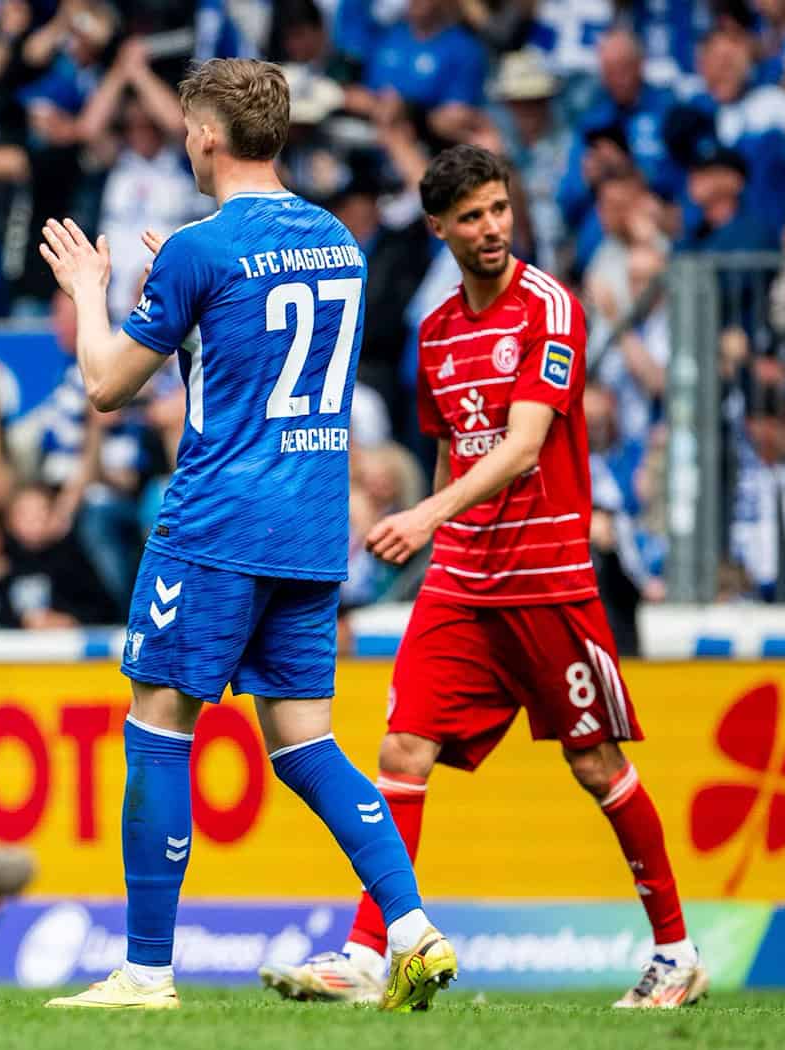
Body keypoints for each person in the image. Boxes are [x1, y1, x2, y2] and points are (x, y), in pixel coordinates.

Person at [38, 57, 454, 1013]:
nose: (186, 141)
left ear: (210, 137)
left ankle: (145, 972)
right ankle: (413, 930)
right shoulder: (335, 240)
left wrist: (96, 287)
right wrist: (182, 290)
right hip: (313, 525)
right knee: (306, 741)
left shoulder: (198, 249)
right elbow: (250, 331)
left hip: (217, 521)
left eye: (189, 129)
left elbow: (105, 387)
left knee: (156, 725)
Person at [258, 145, 707, 1010]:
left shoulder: (551, 308)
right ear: (440, 230)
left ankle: (676, 951)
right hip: (462, 580)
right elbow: (448, 449)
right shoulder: (436, 334)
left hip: (546, 576)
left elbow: (525, 445)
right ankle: (364, 955)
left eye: (499, 209)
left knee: (594, 762)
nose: (491, 228)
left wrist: (425, 518)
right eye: (471, 217)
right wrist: (430, 533)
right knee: (401, 749)